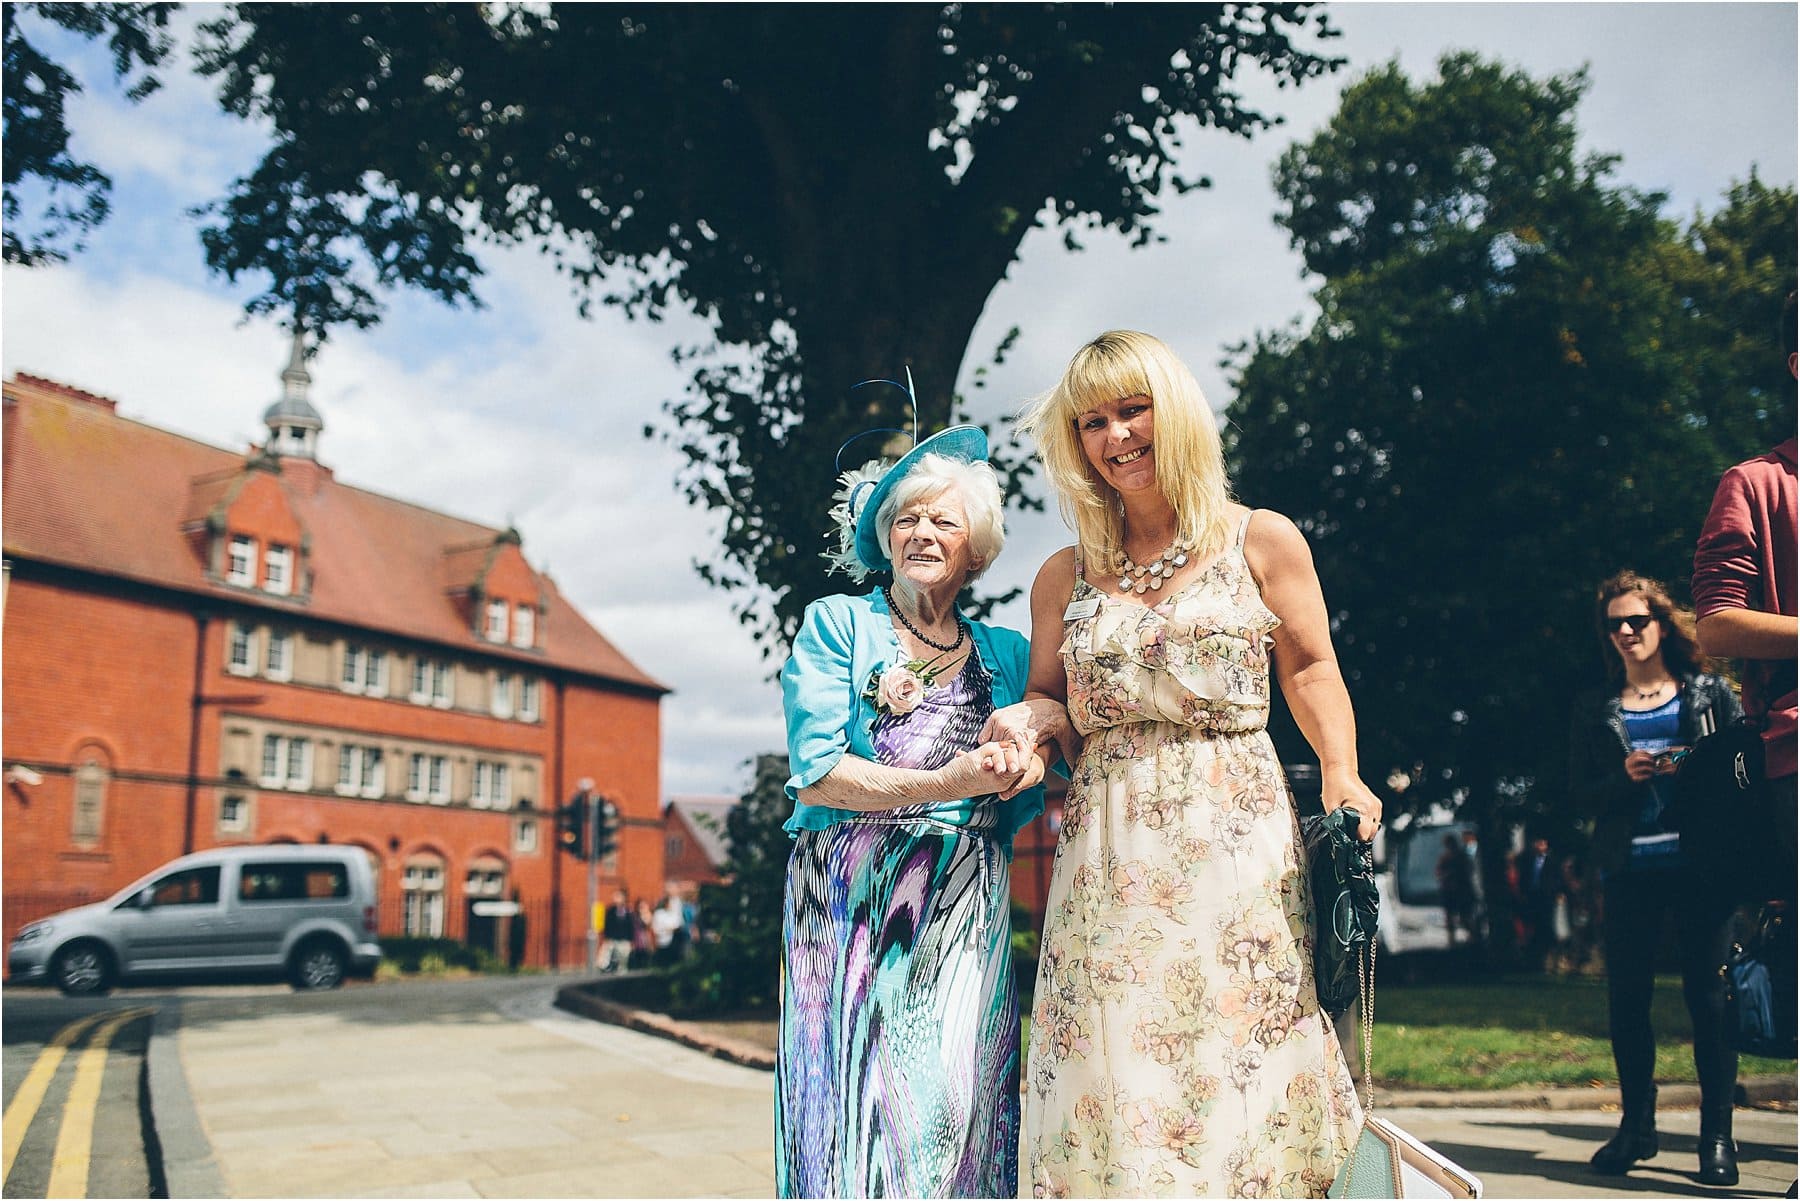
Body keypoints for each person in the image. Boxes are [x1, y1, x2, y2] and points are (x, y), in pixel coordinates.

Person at [1005, 330, 1376, 1196]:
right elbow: (1048, 694)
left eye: (1133, 409)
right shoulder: (1064, 574)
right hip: (1107, 849)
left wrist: (1342, 771)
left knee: (1241, 1041)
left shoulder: (1262, 538)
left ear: (1175, 413)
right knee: (1116, 1057)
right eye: (1093, 420)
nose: (1116, 435)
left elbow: (1312, 667)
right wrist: (1022, 725)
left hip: (1236, 834)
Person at [775, 421, 1055, 1198]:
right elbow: (819, 771)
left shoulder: (1002, 649)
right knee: (851, 1106)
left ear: (976, 545)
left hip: (964, 897)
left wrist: (1017, 763)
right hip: (850, 893)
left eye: (942, 520)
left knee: (951, 1102)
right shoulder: (839, 623)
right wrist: (953, 778)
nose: (921, 533)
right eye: (906, 518)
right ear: (884, 535)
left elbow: (1037, 756)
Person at [1568, 571, 1744, 1184]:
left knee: (1710, 1002)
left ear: (1663, 624)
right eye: (1614, 623)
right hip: (1630, 870)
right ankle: (1636, 1130)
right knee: (1628, 1004)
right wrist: (1624, 774)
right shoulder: (1596, 707)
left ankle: (1716, 1141)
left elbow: (1741, 770)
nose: (1624, 631)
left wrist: (1687, 767)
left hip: (1703, 868)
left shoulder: (1709, 695)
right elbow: (1579, 793)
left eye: (1636, 621)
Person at [1436, 833, 1478, 947]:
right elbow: (1439, 874)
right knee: (1452, 919)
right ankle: (1453, 941)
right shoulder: (1447, 858)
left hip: (1461, 892)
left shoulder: (1461, 857)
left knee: (1465, 917)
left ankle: (1472, 939)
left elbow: (1468, 872)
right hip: (1451, 892)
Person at [600, 888, 634, 972]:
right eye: (615, 896)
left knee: (623, 959)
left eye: (618, 896)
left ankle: (621, 974)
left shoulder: (628, 911)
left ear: (623, 898)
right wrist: (607, 937)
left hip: (624, 939)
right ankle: (607, 969)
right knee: (605, 957)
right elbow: (606, 924)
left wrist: (631, 940)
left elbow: (630, 926)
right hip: (612, 938)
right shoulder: (610, 910)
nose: (615, 898)